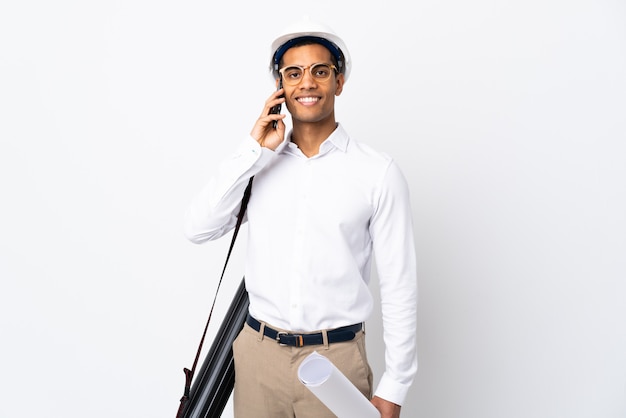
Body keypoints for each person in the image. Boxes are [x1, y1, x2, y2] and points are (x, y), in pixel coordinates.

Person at [184, 18, 417, 418]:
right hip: (259, 360)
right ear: (280, 88)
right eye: (294, 73)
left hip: (336, 362)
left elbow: (400, 285)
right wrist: (253, 150)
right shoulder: (259, 165)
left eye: (320, 72)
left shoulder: (377, 172)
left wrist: (394, 386)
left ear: (338, 83)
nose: (306, 83)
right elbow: (198, 227)